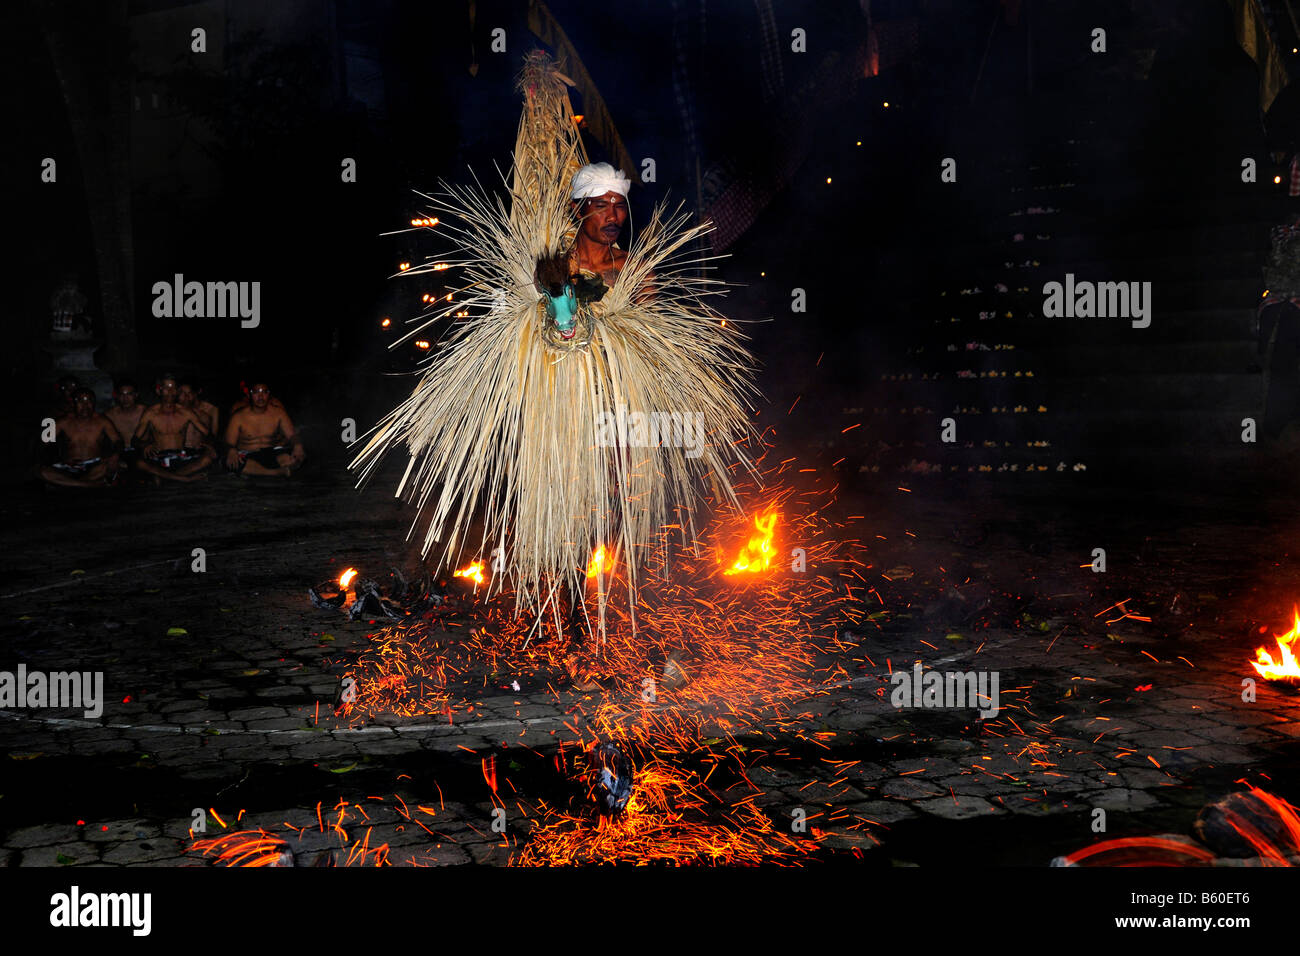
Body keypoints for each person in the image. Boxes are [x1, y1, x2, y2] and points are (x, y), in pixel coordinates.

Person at [132, 374, 215, 482]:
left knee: (207, 459)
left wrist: (209, 444)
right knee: (139, 463)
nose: (170, 392)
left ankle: (166, 477)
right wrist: (145, 445)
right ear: (159, 390)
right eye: (166, 388)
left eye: (173, 388)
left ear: (177, 391)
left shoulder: (185, 412)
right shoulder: (150, 413)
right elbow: (134, 440)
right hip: (158, 457)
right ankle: (184, 478)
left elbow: (208, 433)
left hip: (180, 457)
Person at [38, 388, 122, 488]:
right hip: (68, 466)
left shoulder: (102, 421)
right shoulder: (63, 421)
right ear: (73, 404)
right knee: (41, 471)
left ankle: (68, 484)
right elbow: (42, 443)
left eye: (89, 401)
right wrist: (54, 458)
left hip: (93, 466)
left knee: (110, 466)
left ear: (94, 403)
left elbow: (118, 441)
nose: (85, 406)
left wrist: (115, 455)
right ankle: (87, 484)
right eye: (80, 401)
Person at [223, 381, 304, 477]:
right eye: (256, 392)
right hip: (248, 454)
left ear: (269, 394)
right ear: (249, 395)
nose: (260, 397)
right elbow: (228, 443)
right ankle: (276, 472)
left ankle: (260, 472)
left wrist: (298, 445)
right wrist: (231, 450)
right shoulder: (238, 416)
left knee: (293, 458)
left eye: (264, 392)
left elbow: (292, 435)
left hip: (271, 452)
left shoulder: (278, 413)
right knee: (232, 462)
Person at [105, 379, 145, 474]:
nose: (125, 398)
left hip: (141, 450)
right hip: (120, 451)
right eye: (122, 394)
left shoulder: (145, 412)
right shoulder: (110, 415)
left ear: (136, 395)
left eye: (129, 394)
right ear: (117, 396)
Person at [177, 379, 219, 451]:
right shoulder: (172, 412)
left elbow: (213, 436)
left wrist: (209, 446)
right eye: (182, 393)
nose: (186, 396)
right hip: (179, 451)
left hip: (199, 451)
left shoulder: (208, 412)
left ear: (195, 393)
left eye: (189, 393)